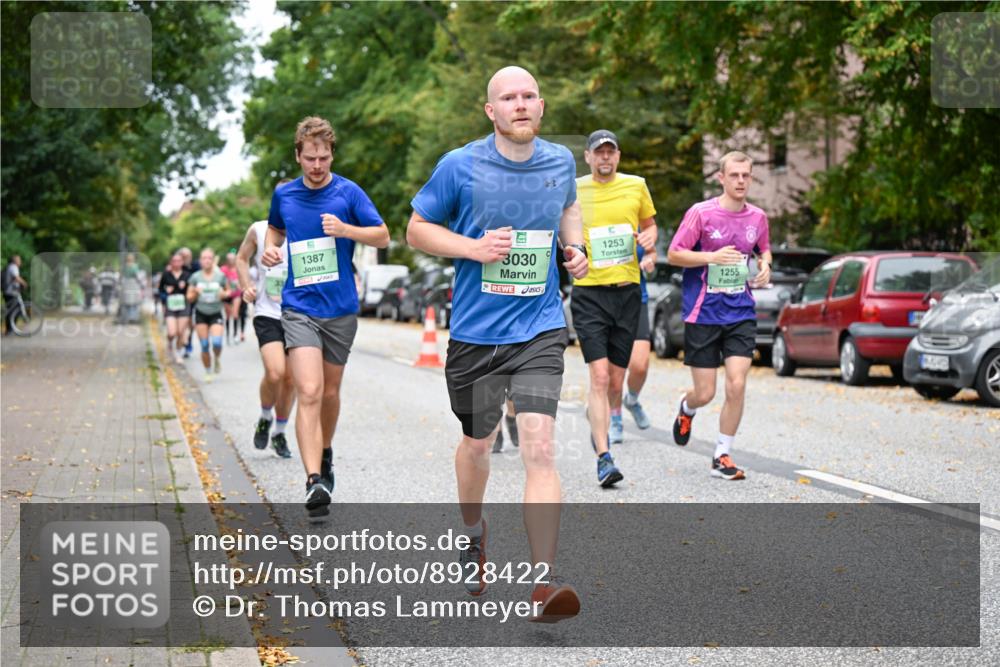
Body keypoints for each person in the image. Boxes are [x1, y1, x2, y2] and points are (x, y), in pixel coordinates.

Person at [407, 66, 588, 623]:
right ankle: (472, 532)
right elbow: (416, 229)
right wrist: (472, 247)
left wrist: (576, 248)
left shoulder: (560, 161)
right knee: (478, 446)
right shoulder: (459, 165)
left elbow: (569, 207)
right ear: (491, 111)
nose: (520, 104)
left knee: (540, 448)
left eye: (529, 95)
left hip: (539, 328)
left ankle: (542, 584)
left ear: (542, 105)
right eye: (509, 98)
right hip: (476, 336)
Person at [262, 117, 389, 518]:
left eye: (323, 158)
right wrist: (270, 249)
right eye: (309, 158)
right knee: (310, 390)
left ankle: (326, 451)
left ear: (332, 154)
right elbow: (274, 230)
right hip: (299, 307)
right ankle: (314, 479)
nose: (317, 165)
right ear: (297, 156)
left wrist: (346, 229)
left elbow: (383, 235)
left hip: (340, 310)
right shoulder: (284, 195)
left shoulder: (348, 192)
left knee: (330, 393)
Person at [666, 150, 771, 481]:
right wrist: (711, 257)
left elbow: (763, 249)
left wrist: (766, 264)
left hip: (740, 311)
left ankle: (722, 454)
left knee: (737, 384)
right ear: (721, 178)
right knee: (706, 392)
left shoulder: (758, 217)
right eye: (734, 175)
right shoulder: (701, 213)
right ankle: (687, 408)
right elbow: (674, 254)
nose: (741, 181)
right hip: (703, 313)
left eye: (746, 175)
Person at [572, 129, 657, 486]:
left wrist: (650, 244)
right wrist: (570, 252)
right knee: (600, 376)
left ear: (618, 156)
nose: (605, 157)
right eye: (598, 152)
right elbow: (561, 230)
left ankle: (602, 418)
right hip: (589, 294)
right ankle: (604, 458)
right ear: (588, 157)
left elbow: (650, 228)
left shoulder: (637, 186)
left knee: (616, 381)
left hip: (627, 294)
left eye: (610, 152)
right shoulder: (573, 189)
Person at [236, 181, 297, 459]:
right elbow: (241, 258)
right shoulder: (259, 229)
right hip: (267, 312)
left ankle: (279, 433)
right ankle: (264, 417)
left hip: (299, 315)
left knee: (291, 380)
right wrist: (246, 286)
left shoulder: (306, 230)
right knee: (275, 373)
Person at [614, 245, 656, 429]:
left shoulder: (641, 226)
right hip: (603, 298)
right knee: (614, 370)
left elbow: (651, 250)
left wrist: (650, 259)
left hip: (637, 298)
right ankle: (615, 418)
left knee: (640, 366)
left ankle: (631, 400)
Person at [186, 248, 230, 381]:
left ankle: (216, 358)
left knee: (216, 343)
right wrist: (195, 292)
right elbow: (189, 297)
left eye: (209, 258)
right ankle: (208, 370)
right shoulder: (195, 277)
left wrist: (224, 294)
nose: (207, 261)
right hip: (201, 313)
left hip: (216, 312)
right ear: (200, 260)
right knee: (204, 345)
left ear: (213, 260)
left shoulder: (220, 276)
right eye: (204, 258)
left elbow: (228, 291)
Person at [159, 253, 192, 363]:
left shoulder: (187, 275)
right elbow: (160, 290)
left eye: (179, 261)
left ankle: (178, 352)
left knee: (180, 332)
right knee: (172, 332)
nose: (176, 263)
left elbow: (192, 290)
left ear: (182, 262)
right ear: (171, 262)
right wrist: (166, 292)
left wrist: (188, 292)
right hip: (171, 305)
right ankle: (169, 343)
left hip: (184, 305)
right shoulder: (166, 275)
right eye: (174, 261)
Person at [179, 247, 199, 358]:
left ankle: (188, 344)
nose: (186, 258)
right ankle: (182, 345)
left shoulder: (196, 266)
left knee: (190, 323)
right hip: (179, 300)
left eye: (187, 256)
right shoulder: (177, 266)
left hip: (192, 299)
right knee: (182, 323)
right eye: (183, 256)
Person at [220, 251, 244, 345]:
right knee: (227, 315)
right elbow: (220, 281)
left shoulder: (238, 269)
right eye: (229, 259)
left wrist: (240, 285)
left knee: (235, 314)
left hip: (236, 294)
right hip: (227, 295)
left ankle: (235, 335)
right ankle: (227, 335)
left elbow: (242, 281)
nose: (231, 261)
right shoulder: (223, 269)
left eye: (232, 259)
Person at [3, 255, 28, 335]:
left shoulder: (10, 267)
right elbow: (17, 277)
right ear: (15, 261)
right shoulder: (13, 267)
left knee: (11, 310)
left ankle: (10, 329)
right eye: (19, 260)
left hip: (9, 292)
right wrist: (24, 283)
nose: (20, 262)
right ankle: (10, 329)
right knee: (14, 310)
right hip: (11, 292)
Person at [120, 253, 143, 324]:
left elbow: (121, 276)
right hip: (134, 284)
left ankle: (126, 317)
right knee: (134, 302)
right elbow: (137, 276)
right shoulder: (135, 266)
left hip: (126, 284)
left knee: (126, 302)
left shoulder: (124, 266)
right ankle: (133, 317)